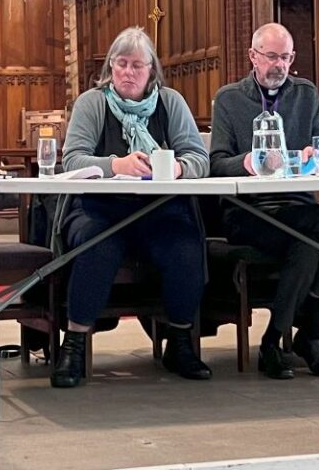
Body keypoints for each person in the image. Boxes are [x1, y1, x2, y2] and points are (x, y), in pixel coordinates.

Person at [49, 26, 213, 388]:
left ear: (151, 70)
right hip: (99, 209)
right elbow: (72, 161)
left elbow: (200, 157)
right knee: (97, 247)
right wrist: (115, 165)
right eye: (120, 64)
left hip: (160, 210)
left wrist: (178, 168)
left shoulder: (171, 102)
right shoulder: (93, 103)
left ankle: (180, 341)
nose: (127, 72)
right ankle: (74, 344)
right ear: (110, 67)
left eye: (136, 65)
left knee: (186, 248)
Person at [208, 23, 319, 379]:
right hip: (249, 211)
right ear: (253, 57)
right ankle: (311, 336)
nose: (279, 66)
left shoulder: (306, 94)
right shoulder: (229, 98)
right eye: (272, 57)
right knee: (314, 235)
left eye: (286, 57)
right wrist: (246, 162)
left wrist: (316, 157)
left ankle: (276, 339)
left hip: (296, 204)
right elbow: (214, 164)